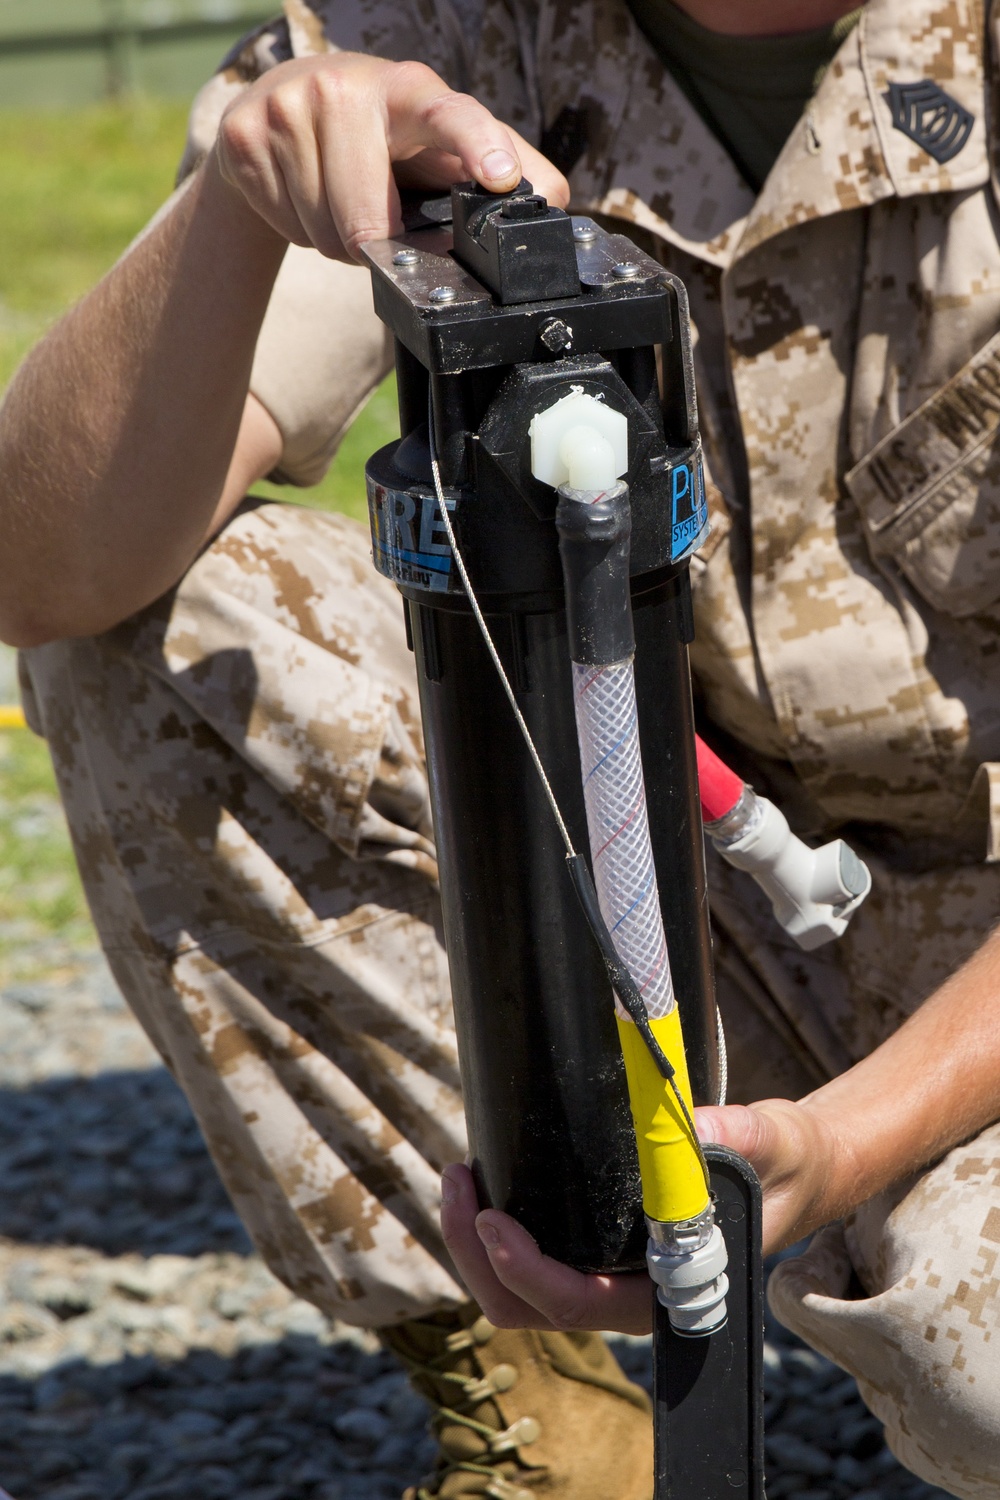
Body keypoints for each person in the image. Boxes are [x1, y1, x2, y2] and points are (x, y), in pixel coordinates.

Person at [1, 0, 1000, 1494]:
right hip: (679, 866)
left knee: (975, 1366)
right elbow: (46, 573)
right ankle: (547, 1371)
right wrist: (234, 210)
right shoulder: (454, 33)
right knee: (178, 627)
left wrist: (838, 1148)